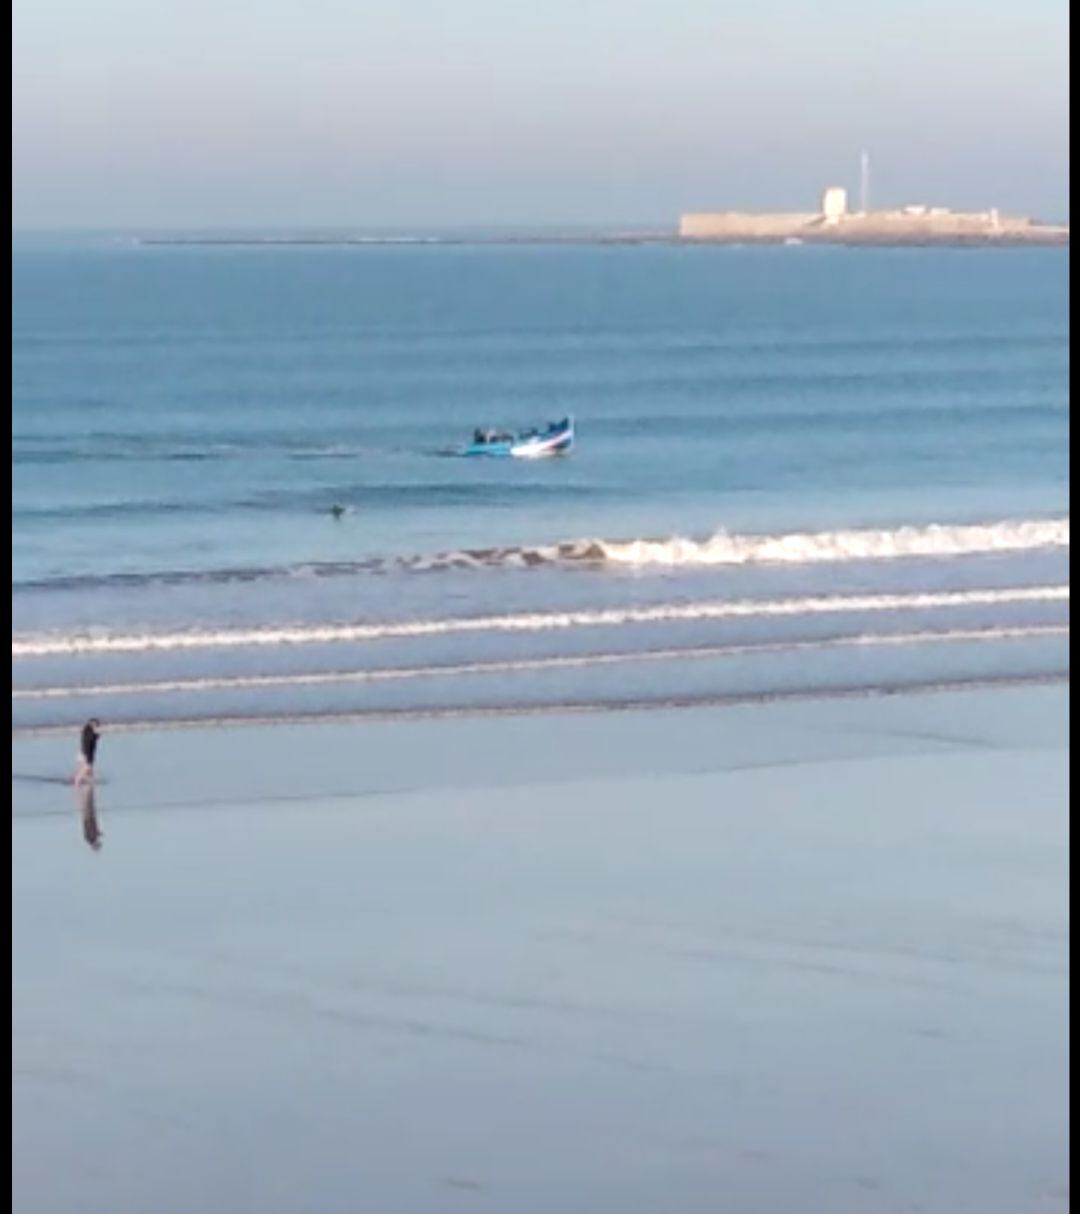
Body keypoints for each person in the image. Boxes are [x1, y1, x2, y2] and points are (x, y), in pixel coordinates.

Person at [77, 781, 103, 851]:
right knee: (89, 804)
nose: (99, 842)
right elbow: (91, 829)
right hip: (90, 818)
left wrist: (96, 832)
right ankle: (87, 788)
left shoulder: (91, 838)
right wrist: (98, 832)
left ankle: (85, 787)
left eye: (98, 844)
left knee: (87, 804)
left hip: (89, 819)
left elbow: (89, 828)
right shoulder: (92, 838)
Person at [74, 718, 101, 786]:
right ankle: (77, 782)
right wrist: (87, 757)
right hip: (85, 753)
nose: (97, 726)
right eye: (96, 724)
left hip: (85, 753)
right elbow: (88, 743)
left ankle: (88, 783)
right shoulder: (88, 731)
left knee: (89, 770)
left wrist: (96, 736)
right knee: (86, 768)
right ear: (91, 723)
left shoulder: (88, 731)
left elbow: (91, 741)